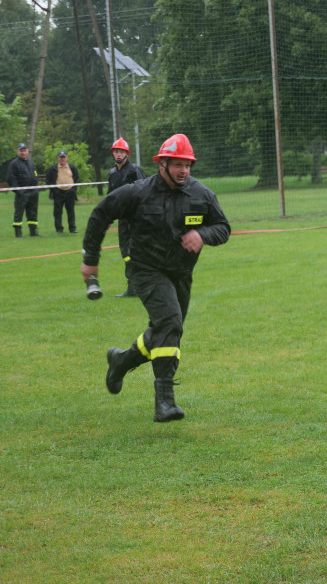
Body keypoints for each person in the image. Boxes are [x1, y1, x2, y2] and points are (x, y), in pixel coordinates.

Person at [80, 133, 231, 422]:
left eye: (187, 165)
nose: (183, 170)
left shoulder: (201, 194)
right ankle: (165, 402)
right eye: (177, 164)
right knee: (170, 323)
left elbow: (223, 227)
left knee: (166, 331)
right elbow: (100, 214)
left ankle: (122, 360)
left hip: (181, 273)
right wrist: (90, 261)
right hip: (146, 269)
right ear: (162, 164)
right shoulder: (137, 192)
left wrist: (202, 234)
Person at [106, 137, 147, 297]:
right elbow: (110, 198)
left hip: (137, 218)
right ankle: (132, 287)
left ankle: (143, 285)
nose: (118, 154)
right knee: (126, 252)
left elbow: (145, 192)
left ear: (127, 154)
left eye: (121, 151)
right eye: (116, 151)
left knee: (138, 250)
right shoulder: (112, 173)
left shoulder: (134, 170)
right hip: (123, 219)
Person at [7, 143, 40, 237]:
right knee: (19, 213)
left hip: (33, 192)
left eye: (25, 150)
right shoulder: (14, 164)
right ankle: (18, 233)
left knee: (33, 212)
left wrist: (36, 189)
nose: (23, 152)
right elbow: (11, 179)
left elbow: (35, 175)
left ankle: (33, 232)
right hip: (22, 193)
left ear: (27, 151)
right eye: (21, 150)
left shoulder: (31, 163)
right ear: (18, 151)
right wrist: (19, 191)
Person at [45, 150, 80, 234]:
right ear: (58, 158)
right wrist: (54, 190)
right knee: (57, 212)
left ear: (66, 158)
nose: (62, 159)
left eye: (64, 157)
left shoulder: (72, 167)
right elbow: (48, 180)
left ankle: (72, 228)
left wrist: (73, 189)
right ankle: (59, 229)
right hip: (58, 193)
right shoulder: (53, 168)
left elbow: (77, 178)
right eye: (61, 157)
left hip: (70, 192)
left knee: (71, 211)